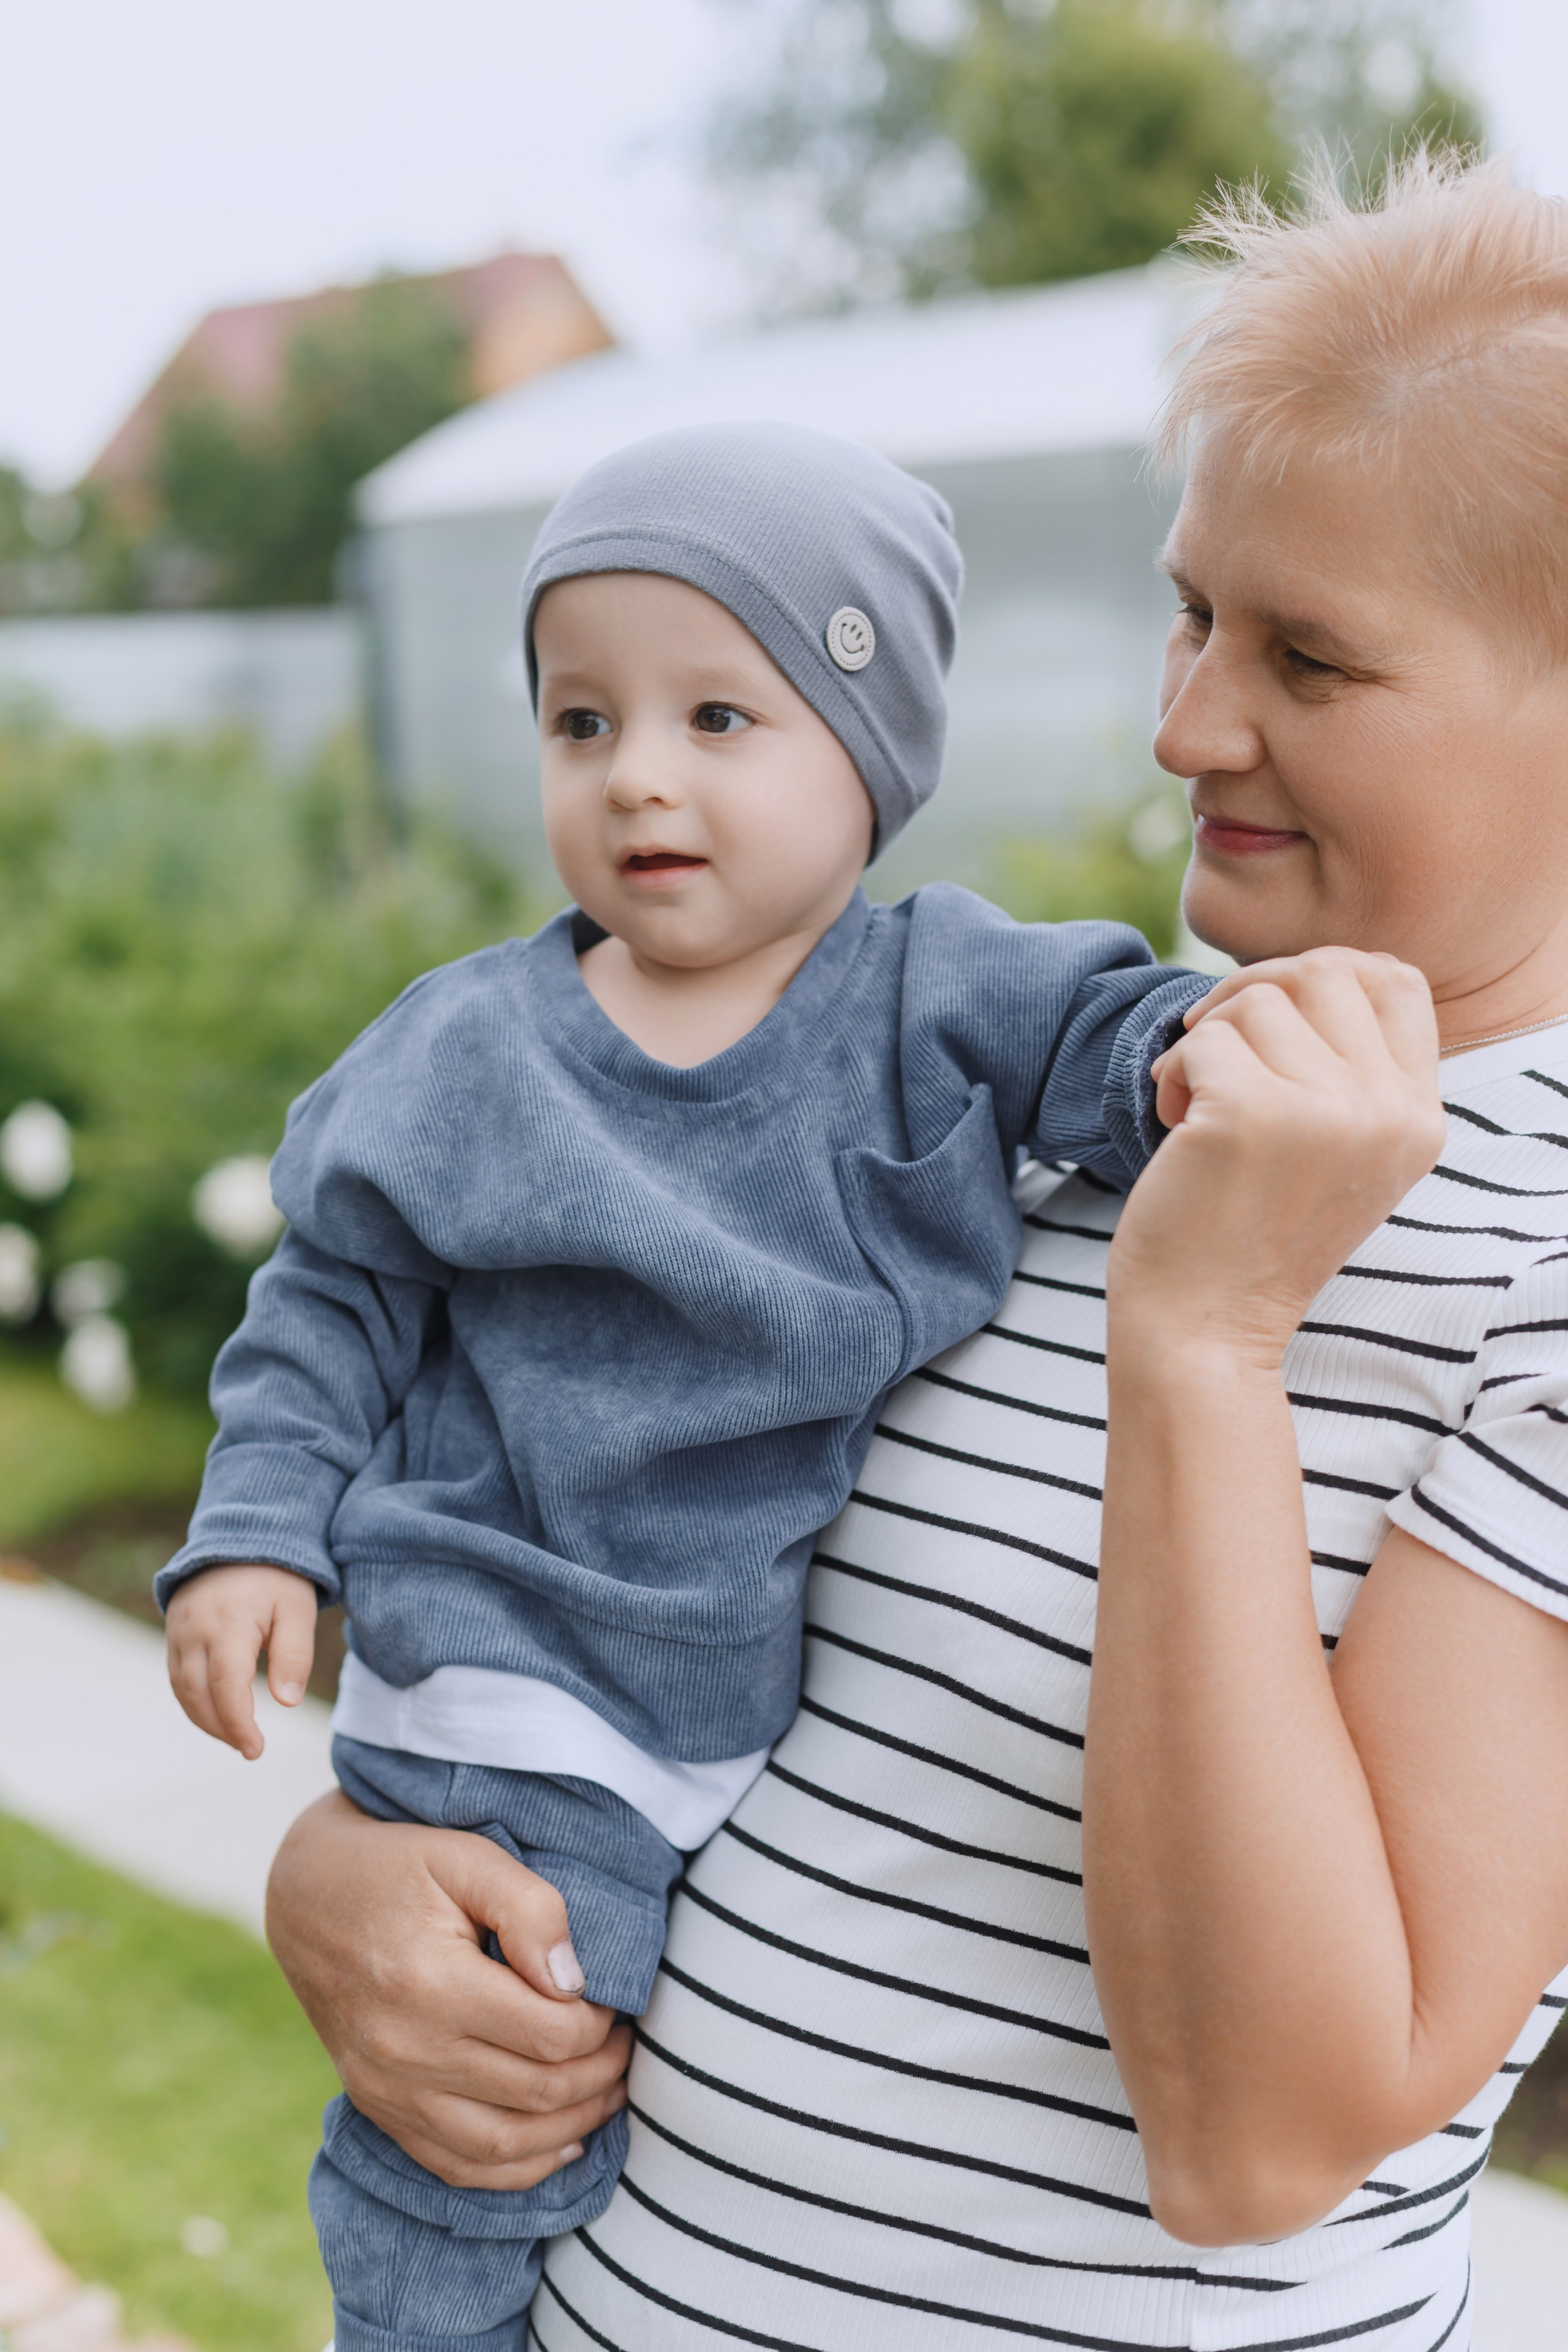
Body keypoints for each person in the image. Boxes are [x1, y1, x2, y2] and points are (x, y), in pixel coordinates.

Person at [267, 154, 1568, 2352]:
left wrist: (1210, 1336)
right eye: (1193, 612)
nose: (1183, 729)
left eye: (1312, 658)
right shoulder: (1059, 1074)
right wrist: (362, 1875)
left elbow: (1262, 2141)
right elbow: (618, 1536)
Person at [156, 421, 1211, 2352]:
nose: (638, 771)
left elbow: (1122, 1043)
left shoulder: (926, 999)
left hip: (700, 1701)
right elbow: (331, 1303)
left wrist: (1228, 1061)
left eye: (722, 715)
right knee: (501, 2106)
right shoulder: (477, 1045)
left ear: (870, 753)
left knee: (577, 2085)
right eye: (582, 722)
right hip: (518, 1672)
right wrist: (253, 1537)